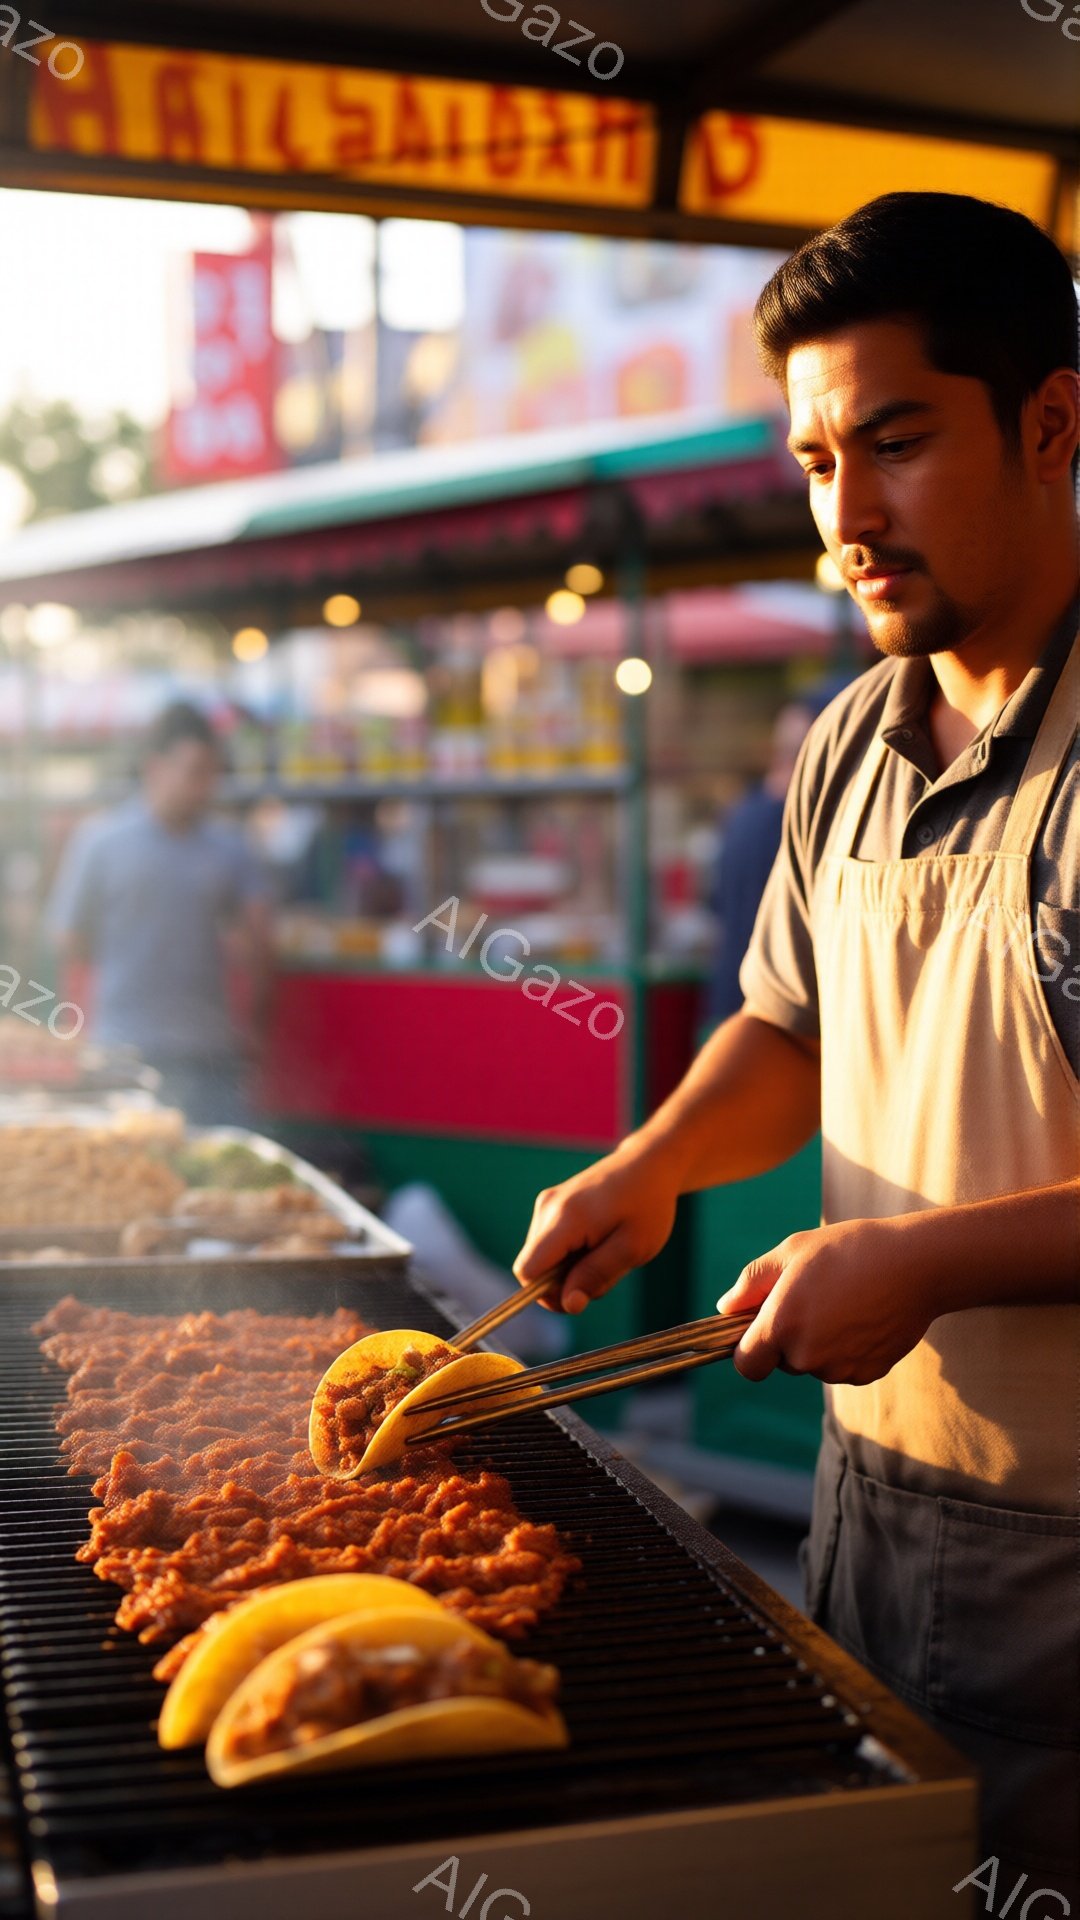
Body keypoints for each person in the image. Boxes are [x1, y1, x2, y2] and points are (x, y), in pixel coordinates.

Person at [513, 192, 1079, 1897]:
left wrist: (921, 1260)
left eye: (896, 445)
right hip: (869, 1501)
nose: (848, 516)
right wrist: (651, 1165)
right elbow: (789, 1026)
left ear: (1051, 425)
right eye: (819, 462)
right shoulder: (848, 739)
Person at [48, 700, 274, 1125]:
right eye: (194, 772)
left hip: (208, 1051)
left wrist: (256, 1025)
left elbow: (259, 942)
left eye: (212, 774)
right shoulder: (99, 842)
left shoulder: (230, 847)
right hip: (121, 1049)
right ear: (155, 767)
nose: (204, 787)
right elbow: (70, 941)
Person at [707, 694, 830, 1025]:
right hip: (773, 1018)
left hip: (730, 1006)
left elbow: (715, 903)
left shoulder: (743, 812)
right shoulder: (797, 821)